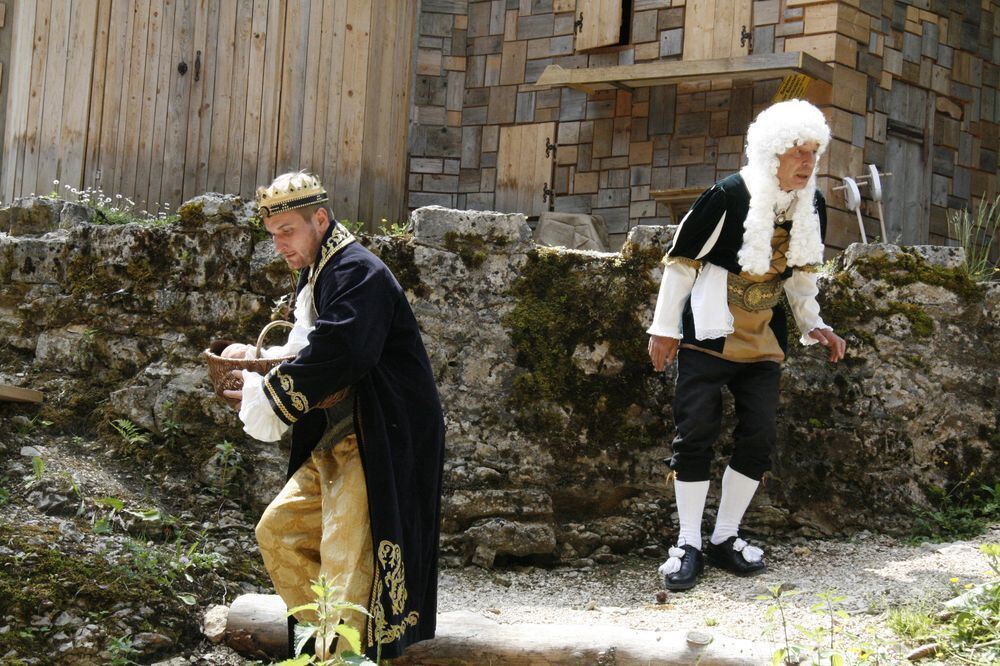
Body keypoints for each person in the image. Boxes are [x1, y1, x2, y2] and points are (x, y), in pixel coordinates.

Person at [222, 171, 445, 659]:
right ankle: (327, 651)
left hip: (378, 439)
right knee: (278, 533)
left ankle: (341, 659)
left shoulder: (356, 271)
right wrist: (256, 366)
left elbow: (342, 351)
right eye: (273, 234)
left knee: (347, 569)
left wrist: (268, 395)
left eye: (288, 231)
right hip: (338, 438)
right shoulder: (321, 270)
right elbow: (306, 347)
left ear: (319, 219)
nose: (279, 244)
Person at [646, 100, 846, 591]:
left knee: (758, 437)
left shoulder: (811, 204)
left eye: (813, 153)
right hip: (709, 335)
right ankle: (688, 541)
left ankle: (724, 537)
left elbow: (801, 274)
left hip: (763, 338)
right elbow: (682, 262)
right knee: (695, 433)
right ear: (772, 152)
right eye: (798, 152)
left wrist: (813, 323)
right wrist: (665, 328)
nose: (807, 163)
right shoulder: (728, 196)